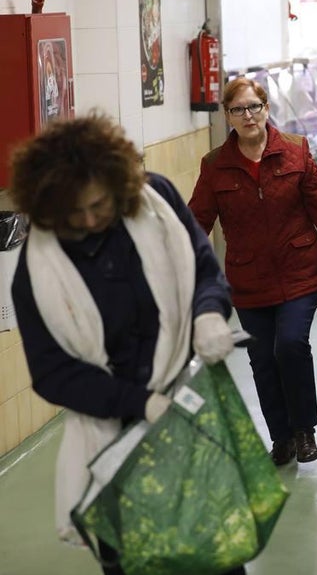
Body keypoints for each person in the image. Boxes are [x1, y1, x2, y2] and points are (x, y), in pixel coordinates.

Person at [8, 114, 239, 573]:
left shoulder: (157, 203)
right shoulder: (37, 274)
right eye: (75, 214)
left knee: (217, 551)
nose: (91, 220)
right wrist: (140, 403)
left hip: (187, 409)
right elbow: (52, 373)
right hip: (112, 438)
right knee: (135, 561)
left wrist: (209, 310)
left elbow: (201, 266)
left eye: (99, 205)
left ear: (119, 184)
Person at [189, 77, 317, 466]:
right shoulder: (215, 165)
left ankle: (304, 430)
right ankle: (280, 437)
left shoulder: (296, 152)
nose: (248, 116)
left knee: (291, 345)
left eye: (254, 107)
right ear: (227, 116)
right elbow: (196, 222)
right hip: (248, 281)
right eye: (238, 110)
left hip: (300, 271)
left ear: (267, 108)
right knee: (262, 359)